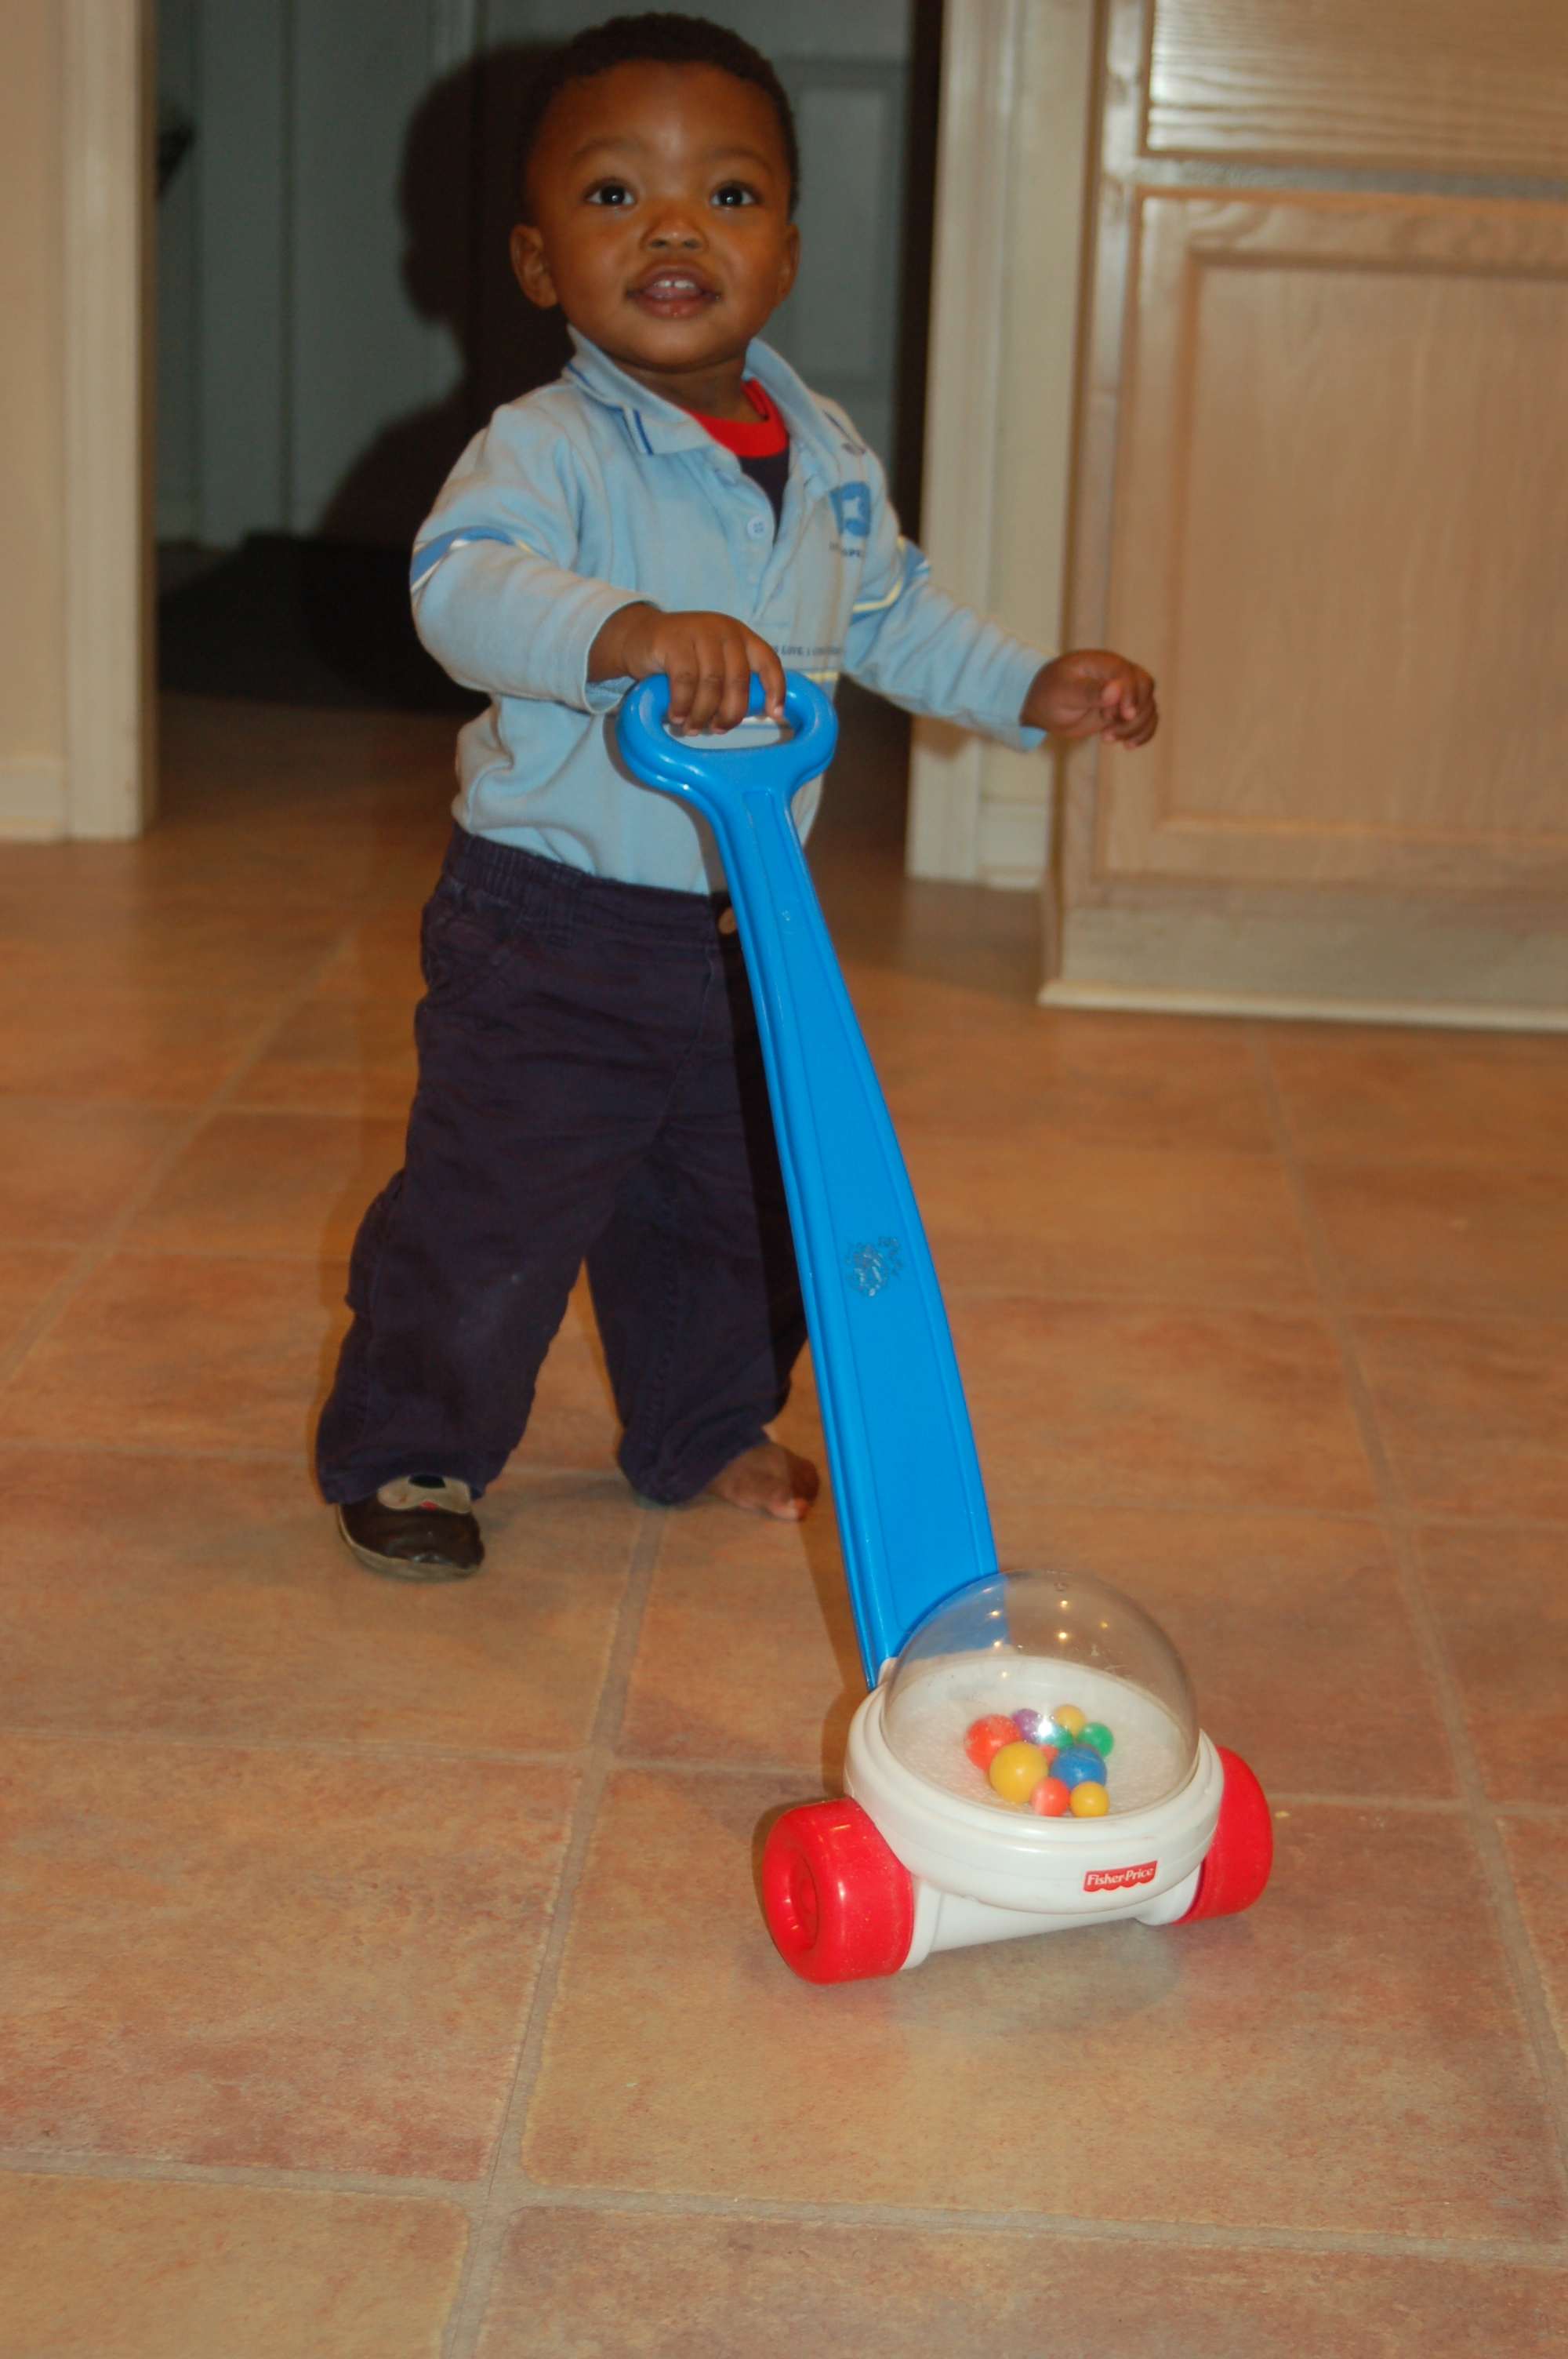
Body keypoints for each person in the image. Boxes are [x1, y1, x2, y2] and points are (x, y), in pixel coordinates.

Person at [317, 11, 1157, 1580]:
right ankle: (416, 1442)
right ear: (536, 260)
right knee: (495, 1207)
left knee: (738, 1205)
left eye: (729, 194)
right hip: (547, 927)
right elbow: (460, 589)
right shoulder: (545, 447)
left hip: (745, 925)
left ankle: (699, 1421)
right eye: (614, 195)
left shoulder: (824, 453)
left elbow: (893, 614)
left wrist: (1028, 684)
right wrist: (623, 632)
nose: (674, 229)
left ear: (785, 251)